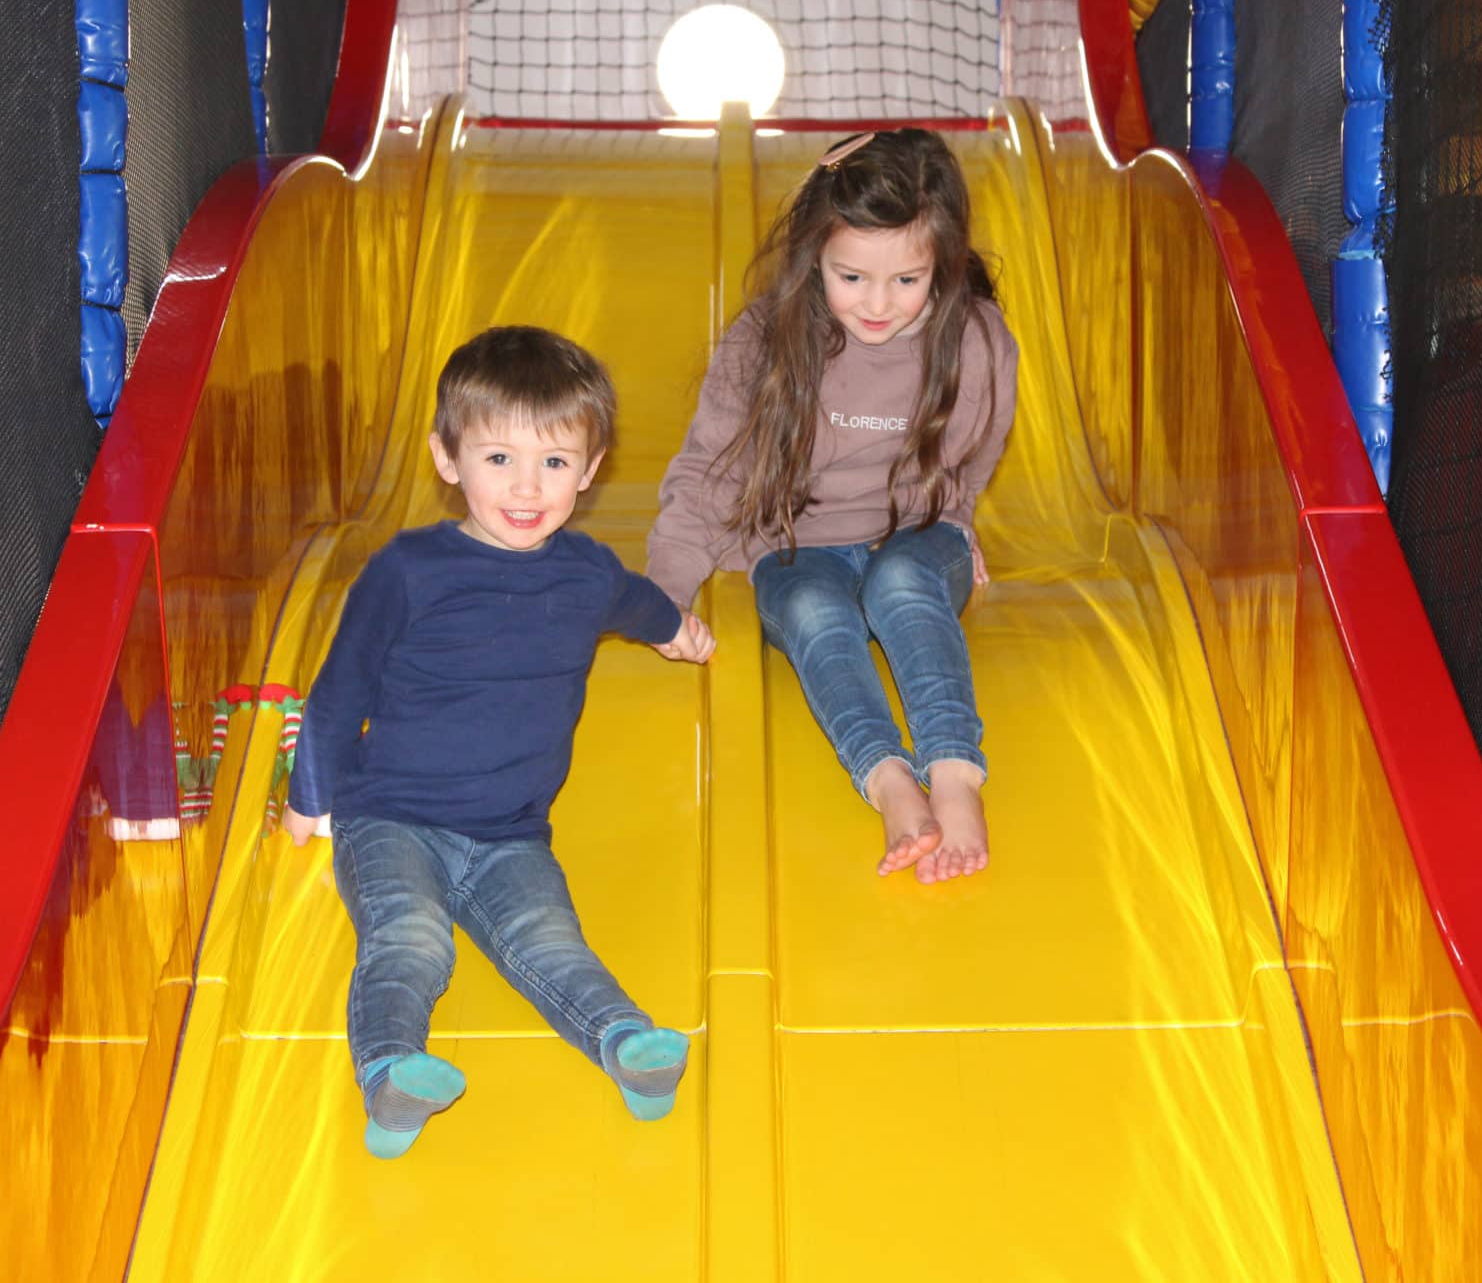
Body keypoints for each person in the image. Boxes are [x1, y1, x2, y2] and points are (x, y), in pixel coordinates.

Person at [284, 325, 716, 1158]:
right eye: (498, 459)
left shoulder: (584, 573)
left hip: (511, 830)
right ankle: (392, 1072)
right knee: (410, 934)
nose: (527, 486)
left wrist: (675, 630)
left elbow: (631, 598)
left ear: (589, 472)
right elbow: (342, 684)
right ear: (448, 458)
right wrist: (313, 795)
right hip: (391, 818)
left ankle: (630, 1047)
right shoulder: (407, 571)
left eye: (554, 463)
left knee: (550, 940)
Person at [646, 128, 1017, 887]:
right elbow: (709, 475)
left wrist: (962, 519)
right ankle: (890, 783)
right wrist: (663, 594)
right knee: (813, 607)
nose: (877, 303)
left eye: (907, 281)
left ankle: (952, 773)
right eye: (851, 277)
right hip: (799, 544)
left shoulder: (975, 338)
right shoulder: (766, 340)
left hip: (916, 535)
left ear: (942, 267)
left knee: (901, 584)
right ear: (814, 254)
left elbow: (979, 442)